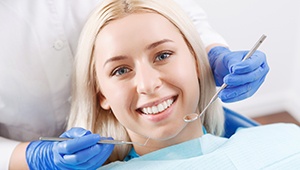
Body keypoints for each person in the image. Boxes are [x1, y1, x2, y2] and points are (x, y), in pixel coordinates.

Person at [25, 0, 297, 169]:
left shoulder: (288, 142)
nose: (148, 84)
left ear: (197, 58)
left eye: (163, 55)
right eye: (120, 70)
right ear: (101, 95)